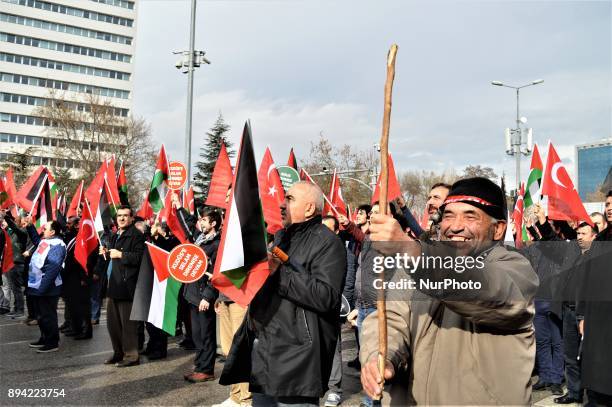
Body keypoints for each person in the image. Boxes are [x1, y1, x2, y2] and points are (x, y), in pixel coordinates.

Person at [360, 177, 539, 405]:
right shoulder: (418, 266)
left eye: (470, 216)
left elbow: (488, 292)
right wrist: (381, 356)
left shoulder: (515, 268)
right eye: (449, 215)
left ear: (498, 229)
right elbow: (390, 319)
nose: (455, 226)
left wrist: (409, 250)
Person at [221, 181, 347, 407]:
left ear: (309, 208)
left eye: (289, 199)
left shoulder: (328, 243)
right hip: (264, 349)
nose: (281, 205)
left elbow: (326, 297)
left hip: (296, 358)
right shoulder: (281, 237)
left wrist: (278, 273)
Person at [576, 191, 612, 406]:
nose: (610, 207)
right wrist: (583, 315)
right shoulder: (601, 241)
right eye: (608, 203)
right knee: (598, 383)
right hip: (598, 320)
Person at [100, 205, 145, 367]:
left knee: (128, 325)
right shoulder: (115, 234)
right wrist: (105, 251)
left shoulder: (136, 235)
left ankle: (132, 356)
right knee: (113, 325)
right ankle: (118, 353)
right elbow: (113, 254)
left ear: (132, 218)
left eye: (125, 216)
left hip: (127, 286)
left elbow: (140, 258)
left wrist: (121, 255)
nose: (122, 218)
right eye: (119, 215)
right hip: (113, 284)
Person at [183, 208, 221, 383]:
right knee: (197, 334)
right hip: (192, 294)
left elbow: (215, 273)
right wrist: (177, 206)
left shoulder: (216, 244)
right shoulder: (200, 239)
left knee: (206, 334)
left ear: (213, 223)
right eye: (201, 220)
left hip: (203, 297)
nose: (200, 223)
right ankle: (199, 365)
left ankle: (206, 369)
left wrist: (207, 296)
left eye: (204, 220)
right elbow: (188, 224)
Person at [25, 219, 66, 353]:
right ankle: (44, 337)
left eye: (45, 228)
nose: (42, 230)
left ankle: (52, 342)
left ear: (53, 232)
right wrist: (30, 226)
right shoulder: (46, 241)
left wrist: (42, 288)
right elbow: (37, 242)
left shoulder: (57, 245)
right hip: (37, 285)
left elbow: (53, 269)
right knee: (41, 315)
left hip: (47, 288)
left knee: (48, 316)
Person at [62, 216, 93, 340]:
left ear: (76, 225)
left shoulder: (84, 239)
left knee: (82, 306)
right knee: (72, 304)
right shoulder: (70, 237)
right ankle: (76, 328)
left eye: (69, 223)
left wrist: (84, 277)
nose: (67, 225)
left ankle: (86, 330)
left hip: (80, 277)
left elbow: (86, 259)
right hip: (70, 277)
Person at [2, 212, 28, 319]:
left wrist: (7, 217)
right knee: (14, 288)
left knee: (17, 289)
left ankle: (20, 310)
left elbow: (15, 228)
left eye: (17, 220)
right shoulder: (11, 233)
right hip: (11, 262)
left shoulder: (22, 232)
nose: (16, 221)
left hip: (17, 263)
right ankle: (16, 308)